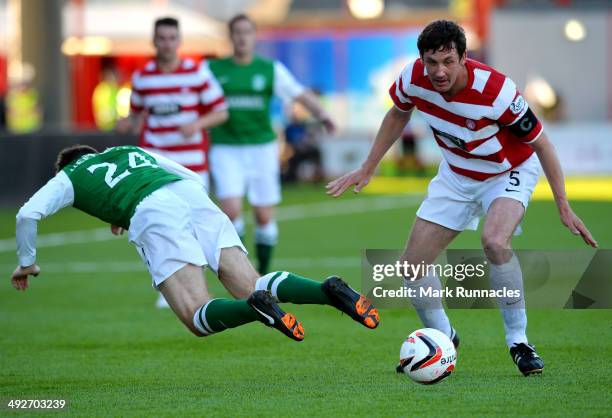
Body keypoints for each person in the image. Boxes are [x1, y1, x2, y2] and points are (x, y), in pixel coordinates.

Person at [327, 20, 597, 376]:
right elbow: (397, 113)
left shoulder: (497, 91)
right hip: (456, 175)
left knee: (494, 242)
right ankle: (443, 339)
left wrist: (563, 203)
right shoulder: (413, 78)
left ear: (464, 58)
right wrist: (368, 166)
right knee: (411, 267)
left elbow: (542, 143)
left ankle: (519, 341)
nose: (438, 71)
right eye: (431, 62)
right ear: (421, 59)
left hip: (507, 172)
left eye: (447, 61)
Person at [11, 145, 380, 342]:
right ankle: (326, 290)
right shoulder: (128, 150)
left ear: (67, 166)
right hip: (190, 195)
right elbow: (187, 174)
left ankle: (257, 311)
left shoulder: (68, 177)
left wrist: (27, 261)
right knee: (250, 284)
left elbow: (27, 215)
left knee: (195, 316)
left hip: (153, 211)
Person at [208, 14, 336, 275]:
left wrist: (323, 115)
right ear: (230, 37)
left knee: (264, 216)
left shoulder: (269, 69)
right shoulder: (212, 69)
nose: (242, 37)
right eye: (237, 32)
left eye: (247, 32)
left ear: (254, 37)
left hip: (261, 148)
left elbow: (298, 93)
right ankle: (244, 274)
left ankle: (263, 272)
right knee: (230, 213)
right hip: (225, 147)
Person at [117, 17, 228, 308]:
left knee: (194, 226)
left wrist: (197, 124)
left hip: (191, 161)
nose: (166, 43)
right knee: (158, 223)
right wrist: (126, 124)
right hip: (155, 163)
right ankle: (169, 286)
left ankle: (196, 288)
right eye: (161, 38)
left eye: (171, 38)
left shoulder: (196, 73)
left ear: (178, 41)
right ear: (154, 41)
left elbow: (221, 111)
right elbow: (136, 115)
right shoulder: (142, 77)